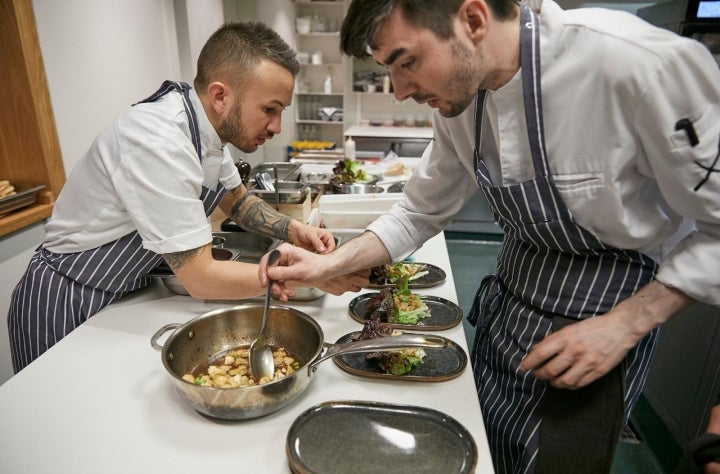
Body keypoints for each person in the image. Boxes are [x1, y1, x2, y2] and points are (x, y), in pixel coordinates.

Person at [259, 1, 720, 472]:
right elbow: (418, 209)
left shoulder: (633, 65)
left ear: (474, 20)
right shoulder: (460, 98)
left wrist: (625, 324)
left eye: (407, 62)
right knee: (487, 448)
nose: (398, 92)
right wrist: (325, 266)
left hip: (598, 324)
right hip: (508, 312)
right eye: (388, 71)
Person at [7, 21, 366, 373]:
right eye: (269, 109)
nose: (275, 126)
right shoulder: (157, 141)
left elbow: (237, 201)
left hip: (122, 294)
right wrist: (310, 274)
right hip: (68, 301)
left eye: (281, 112)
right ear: (220, 95)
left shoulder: (206, 129)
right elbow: (201, 277)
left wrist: (292, 230)